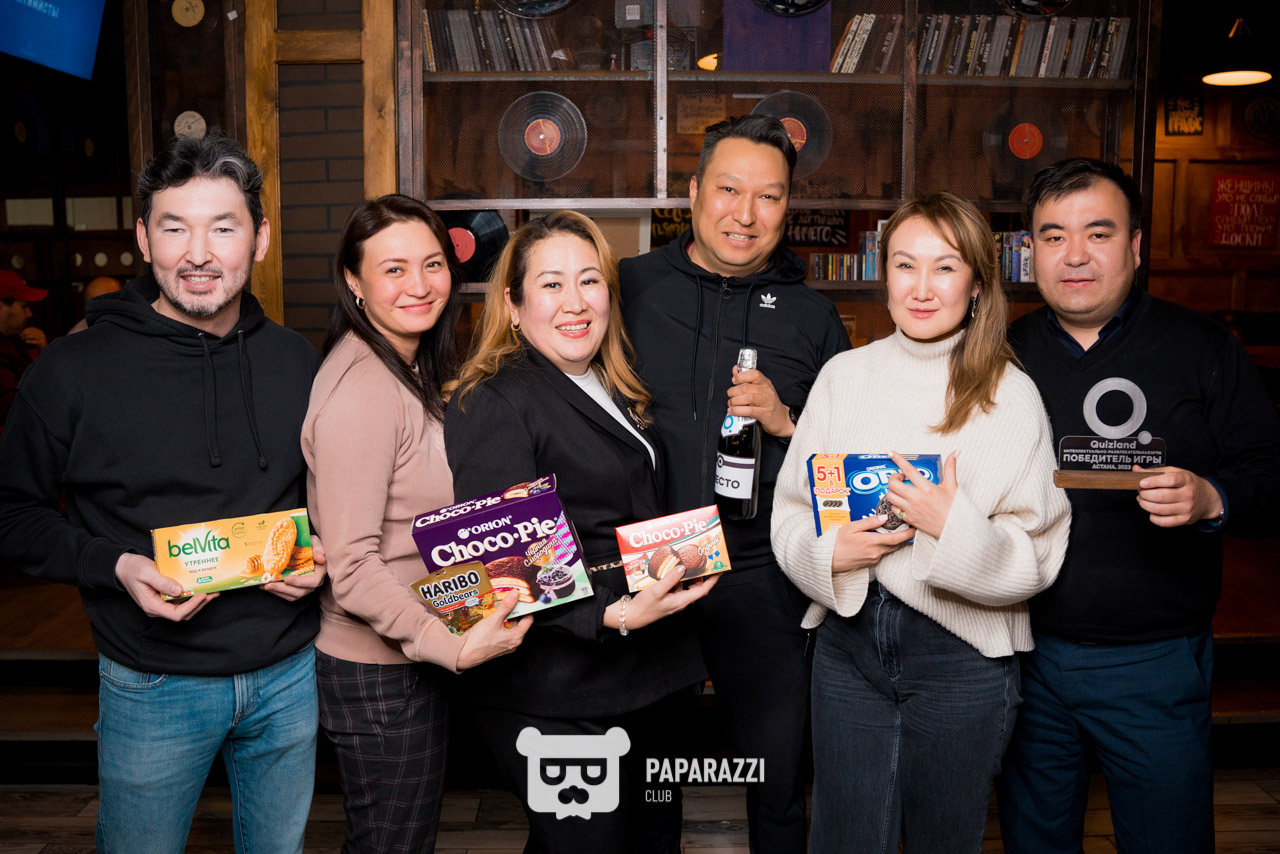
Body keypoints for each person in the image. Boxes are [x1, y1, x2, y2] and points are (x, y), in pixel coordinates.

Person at [0, 133, 325, 854]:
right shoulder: (72, 370)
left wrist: (321, 554)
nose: (198, 254)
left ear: (260, 239)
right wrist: (115, 566)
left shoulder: (296, 359)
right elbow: (11, 516)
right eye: (175, 228)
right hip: (152, 682)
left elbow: (316, 497)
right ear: (145, 240)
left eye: (223, 228)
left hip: (287, 672)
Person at [771, 192, 1071, 853]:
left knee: (944, 839)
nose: (922, 287)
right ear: (884, 273)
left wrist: (950, 524)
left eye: (945, 267)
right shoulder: (843, 377)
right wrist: (829, 555)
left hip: (961, 655)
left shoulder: (1011, 393)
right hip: (847, 648)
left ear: (976, 282)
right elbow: (790, 513)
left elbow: (1039, 554)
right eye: (905, 265)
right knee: (844, 839)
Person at [998, 158, 1280, 854]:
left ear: (1136, 245)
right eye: (1054, 236)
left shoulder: (1204, 348)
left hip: (1155, 664)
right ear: (1031, 250)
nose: (1075, 255)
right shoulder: (1001, 355)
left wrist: (1211, 496)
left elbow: (1270, 476)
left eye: (1098, 233)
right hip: (1023, 657)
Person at [444, 210, 717, 853]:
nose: (575, 301)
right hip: (561, 690)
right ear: (513, 307)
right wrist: (614, 615)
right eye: (551, 284)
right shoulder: (495, 399)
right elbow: (506, 570)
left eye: (590, 280)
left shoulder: (612, 383)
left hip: (646, 677)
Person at [619, 114, 850, 854]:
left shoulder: (814, 317)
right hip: (649, 561)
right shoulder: (627, 288)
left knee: (776, 776)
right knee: (649, 781)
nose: (745, 214)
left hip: (759, 569)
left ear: (788, 206)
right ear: (692, 193)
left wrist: (786, 420)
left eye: (769, 196)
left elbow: (842, 468)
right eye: (728, 189)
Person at [302, 194, 531, 854]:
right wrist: (445, 644)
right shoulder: (364, 388)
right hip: (381, 671)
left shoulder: (400, 366)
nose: (420, 285)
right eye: (394, 269)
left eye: (432, 264)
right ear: (354, 281)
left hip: (406, 656)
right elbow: (351, 567)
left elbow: (415, 512)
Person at [0, 270, 48, 428]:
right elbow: (16, 409)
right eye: (24, 306)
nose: (29, 314)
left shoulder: (15, 342)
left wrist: (43, 352)